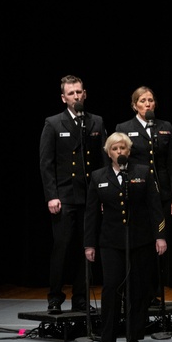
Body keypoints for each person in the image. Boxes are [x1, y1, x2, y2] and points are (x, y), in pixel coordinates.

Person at [84, 133, 167, 342]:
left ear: (128, 151)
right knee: (111, 287)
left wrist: (160, 236)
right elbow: (91, 213)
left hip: (140, 240)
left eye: (123, 148)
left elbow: (155, 207)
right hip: (111, 241)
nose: (119, 152)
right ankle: (107, 337)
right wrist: (89, 244)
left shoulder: (142, 172)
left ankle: (134, 335)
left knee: (137, 288)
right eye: (115, 149)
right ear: (108, 152)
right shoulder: (98, 176)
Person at [39, 74, 106, 314]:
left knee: (85, 247)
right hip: (65, 196)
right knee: (62, 247)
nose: (76, 96)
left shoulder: (95, 122)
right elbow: (46, 163)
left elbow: (102, 162)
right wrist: (51, 195)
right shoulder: (54, 123)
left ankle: (80, 297)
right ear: (63, 98)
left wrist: (102, 196)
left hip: (88, 196)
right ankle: (55, 297)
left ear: (84, 94)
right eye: (71, 93)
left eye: (79, 92)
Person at [115, 86, 172, 301]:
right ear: (135, 104)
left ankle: (155, 292)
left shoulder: (165, 127)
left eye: (150, 100)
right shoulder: (124, 127)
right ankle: (136, 291)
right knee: (140, 244)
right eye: (143, 100)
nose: (147, 104)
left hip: (161, 195)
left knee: (160, 244)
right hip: (138, 194)